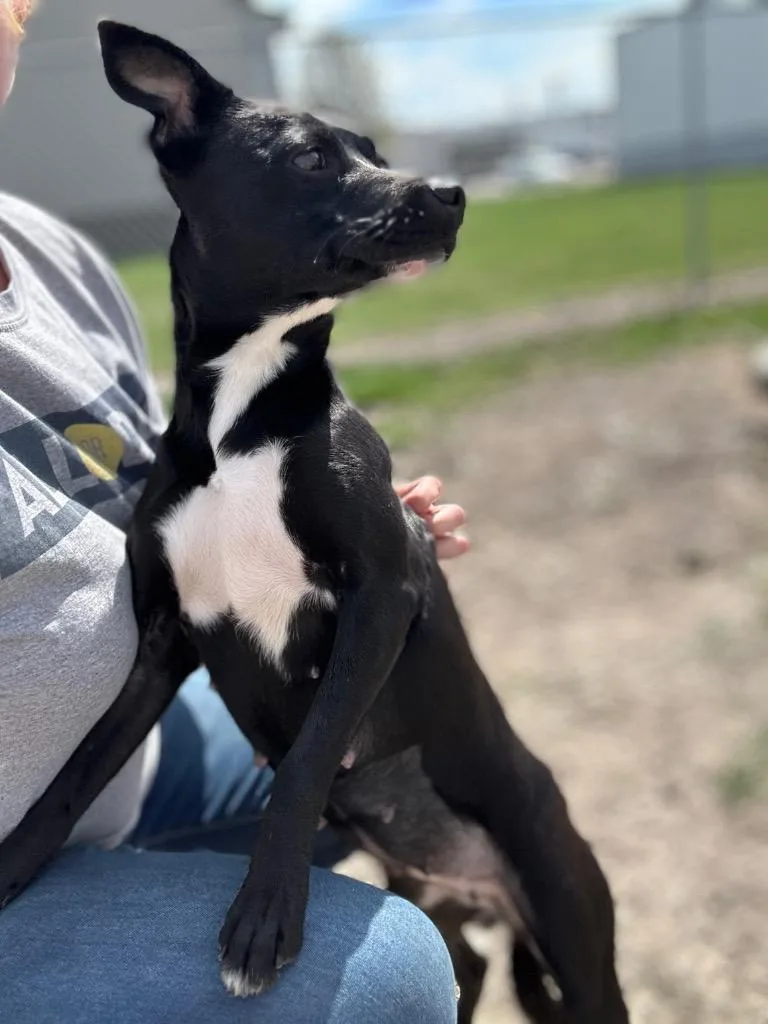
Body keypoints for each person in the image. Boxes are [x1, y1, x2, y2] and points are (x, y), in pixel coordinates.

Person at [0, 4, 470, 1022]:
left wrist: (311, 525)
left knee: (390, 766)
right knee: (387, 971)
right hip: (27, 829)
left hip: (148, 745)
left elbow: (151, 494)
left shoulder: (53, 259)